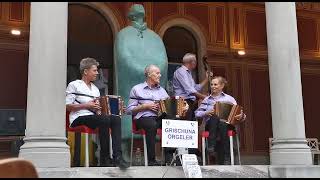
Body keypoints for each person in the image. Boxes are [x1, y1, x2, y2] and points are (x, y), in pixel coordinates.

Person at [66, 57, 129, 169]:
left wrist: (118, 109)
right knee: (104, 119)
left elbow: (99, 109)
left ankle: (117, 157)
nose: (97, 73)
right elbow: (67, 106)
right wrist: (86, 105)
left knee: (115, 119)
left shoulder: (95, 89)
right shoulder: (74, 85)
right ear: (85, 71)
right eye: (94, 70)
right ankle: (104, 158)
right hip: (78, 117)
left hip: (94, 117)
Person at [195, 76, 246, 165]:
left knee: (222, 122)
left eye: (215, 84)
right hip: (211, 126)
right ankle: (227, 157)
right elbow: (197, 113)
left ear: (222, 86)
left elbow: (239, 114)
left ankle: (211, 146)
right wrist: (206, 112)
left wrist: (241, 116)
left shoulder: (230, 99)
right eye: (211, 84)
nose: (213, 86)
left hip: (227, 125)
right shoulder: (207, 99)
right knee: (215, 115)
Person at [126, 64, 169, 166]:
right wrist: (145, 106)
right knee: (151, 125)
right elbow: (129, 110)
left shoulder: (161, 90)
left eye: (160, 73)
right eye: (157, 73)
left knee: (172, 122)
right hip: (143, 118)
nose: (160, 75)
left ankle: (170, 157)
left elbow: (169, 105)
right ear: (149, 74)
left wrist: (181, 107)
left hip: (158, 117)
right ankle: (151, 160)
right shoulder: (137, 89)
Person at [172, 52, 209, 157]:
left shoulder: (188, 73)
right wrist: (203, 97)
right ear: (192, 62)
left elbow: (195, 88)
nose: (196, 63)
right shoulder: (181, 72)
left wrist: (206, 79)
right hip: (181, 102)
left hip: (189, 102)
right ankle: (182, 154)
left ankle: (190, 153)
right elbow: (189, 90)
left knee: (190, 127)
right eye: (196, 61)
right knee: (184, 128)